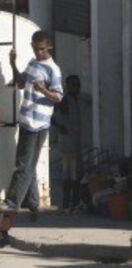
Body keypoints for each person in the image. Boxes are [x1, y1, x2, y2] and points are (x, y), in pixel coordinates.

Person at [0, 30, 63, 216]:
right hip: (27, 120)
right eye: (35, 49)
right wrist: (13, 64)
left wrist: (43, 90)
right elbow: (20, 83)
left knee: (23, 165)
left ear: (49, 47)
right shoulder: (33, 63)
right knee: (29, 163)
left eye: (42, 49)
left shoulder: (53, 69)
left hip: (38, 123)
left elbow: (58, 96)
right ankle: (33, 201)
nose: (38, 53)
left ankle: (12, 202)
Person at [52, 75, 85, 210]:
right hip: (67, 144)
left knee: (75, 175)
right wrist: (61, 128)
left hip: (75, 143)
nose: (76, 87)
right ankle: (68, 204)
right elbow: (52, 117)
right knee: (69, 176)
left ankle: (73, 203)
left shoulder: (77, 99)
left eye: (77, 85)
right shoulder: (64, 100)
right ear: (67, 86)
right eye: (73, 85)